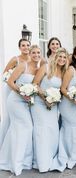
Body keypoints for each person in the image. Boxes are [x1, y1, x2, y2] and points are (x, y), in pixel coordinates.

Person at [0, 45, 41, 176]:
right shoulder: (23, 65)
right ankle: (16, 163)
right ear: (30, 53)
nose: (36, 55)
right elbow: (10, 81)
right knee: (27, 127)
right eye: (33, 52)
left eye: (38, 53)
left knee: (18, 129)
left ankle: (17, 160)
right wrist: (22, 92)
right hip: (15, 101)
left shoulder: (38, 69)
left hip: (26, 102)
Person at [31, 48, 69, 172]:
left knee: (53, 131)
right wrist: (45, 98)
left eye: (64, 57)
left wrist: (53, 100)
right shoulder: (45, 67)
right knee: (42, 131)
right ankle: (42, 162)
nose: (62, 59)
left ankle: (50, 157)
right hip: (39, 103)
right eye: (60, 57)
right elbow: (35, 84)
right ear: (56, 57)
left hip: (53, 106)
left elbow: (61, 90)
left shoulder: (63, 72)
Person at [50, 45, 76, 171]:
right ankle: (72, 156)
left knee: (71, 129)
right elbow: (63, 88)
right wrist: (72, 98)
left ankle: (71, 153)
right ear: (75, 56)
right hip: (67, 103)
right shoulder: (71, 69)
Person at [0, 38, 31, 149]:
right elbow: (4, 74)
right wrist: (14, 81)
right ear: (19, 48)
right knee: (9, 117)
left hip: (27, 91)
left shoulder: (32, 60)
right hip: (11, 89)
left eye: (28, 45)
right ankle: (4, 144)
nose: (26, 47)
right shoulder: (15, 59)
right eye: (23, 45)